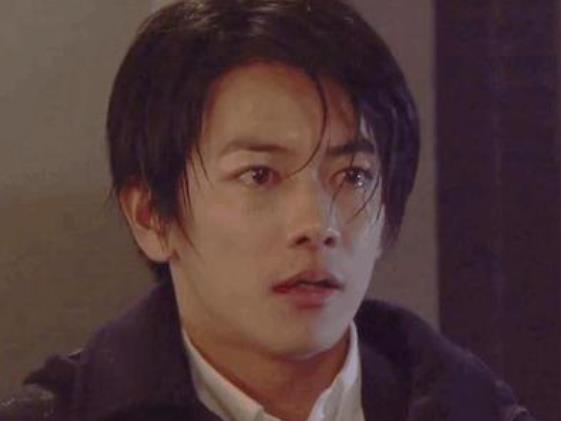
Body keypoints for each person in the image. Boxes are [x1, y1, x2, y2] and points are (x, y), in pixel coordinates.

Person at [0, 0, 535, 420]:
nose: (317, 225)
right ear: (151, 217)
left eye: (352, 176)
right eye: (259, 176)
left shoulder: (471, 406)